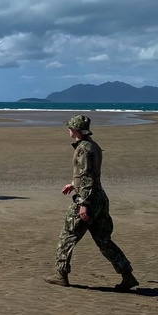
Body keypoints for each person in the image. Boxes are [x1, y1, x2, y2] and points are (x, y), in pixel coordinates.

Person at [45, 115, 139, 292]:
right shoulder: (92, 145)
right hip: (99, 197)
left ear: (77, 130)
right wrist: (73, 184)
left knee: (67, 236)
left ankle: (61, 274)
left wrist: (84, 203)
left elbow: (88, 175)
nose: (69, 130)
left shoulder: (84, 149)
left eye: (71, 127)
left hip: (90, 198)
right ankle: (127, 275)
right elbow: (90, 174)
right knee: (103, 239)